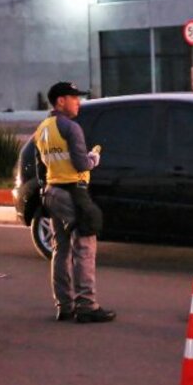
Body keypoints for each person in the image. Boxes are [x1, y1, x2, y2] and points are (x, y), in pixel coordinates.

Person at [33, 81, 114, 324]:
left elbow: (41, 167)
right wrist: (93, 158)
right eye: (74, 98)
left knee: (61, 248)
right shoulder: (71, 127)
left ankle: (64, 305)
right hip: (72, 193)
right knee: (85, 246)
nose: (78, 102)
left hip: (52, 192)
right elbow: (81, 164)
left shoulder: (42, 129)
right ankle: (86, 304)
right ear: (60, 101)